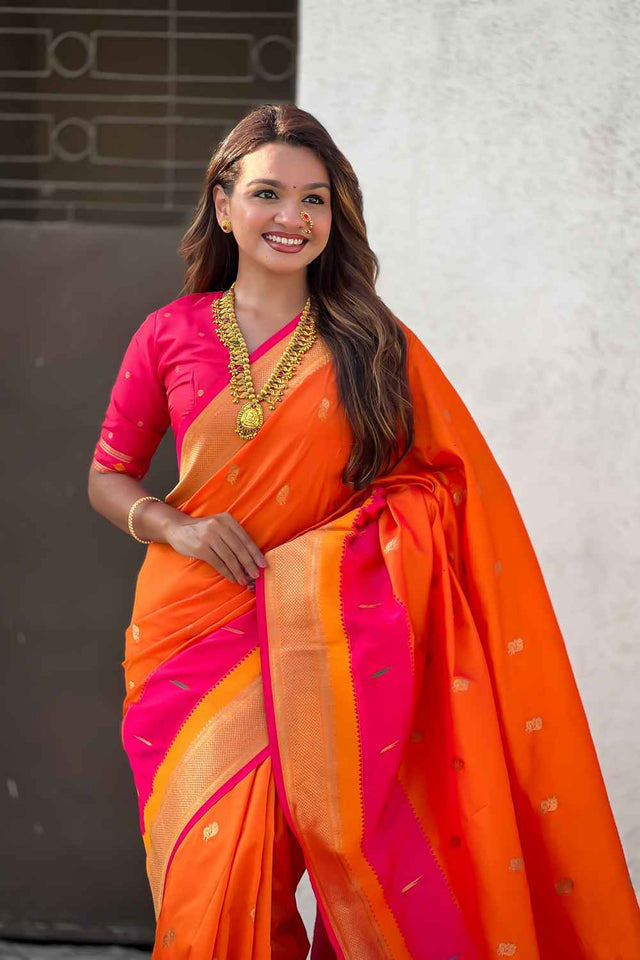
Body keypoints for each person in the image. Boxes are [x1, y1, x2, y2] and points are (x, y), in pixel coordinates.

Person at [87, 104, 639, 960]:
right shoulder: (170, 334)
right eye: (268, 193)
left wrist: (329, 558)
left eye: (314, 200)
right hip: (188, 640)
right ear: (224, 204)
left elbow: (442, 485)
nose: (292, 218)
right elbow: (107, 472)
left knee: (376, 872)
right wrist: (177, 529)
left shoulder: (373, 343)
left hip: (333, 648)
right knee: (212, 883)